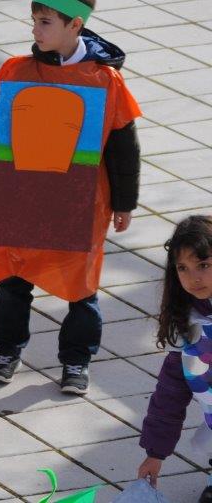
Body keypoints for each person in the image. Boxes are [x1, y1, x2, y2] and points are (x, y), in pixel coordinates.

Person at [0, 0, 141, 395]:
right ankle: (7, 349)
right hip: (22, 194)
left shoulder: (104, 80)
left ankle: (77, 361)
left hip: (80, 201)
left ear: (75, 26)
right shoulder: (17, 72)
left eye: (45, 22)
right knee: (13, 279)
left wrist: (123, 202)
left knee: (80, 287)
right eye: (35, 20)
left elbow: (123, 146)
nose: (35, 29)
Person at [136, 215, 212, 502]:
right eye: (183, 268)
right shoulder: (188, 323)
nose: (194, 277)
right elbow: (169, 395)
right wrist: (155, 454)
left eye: (203, 265)